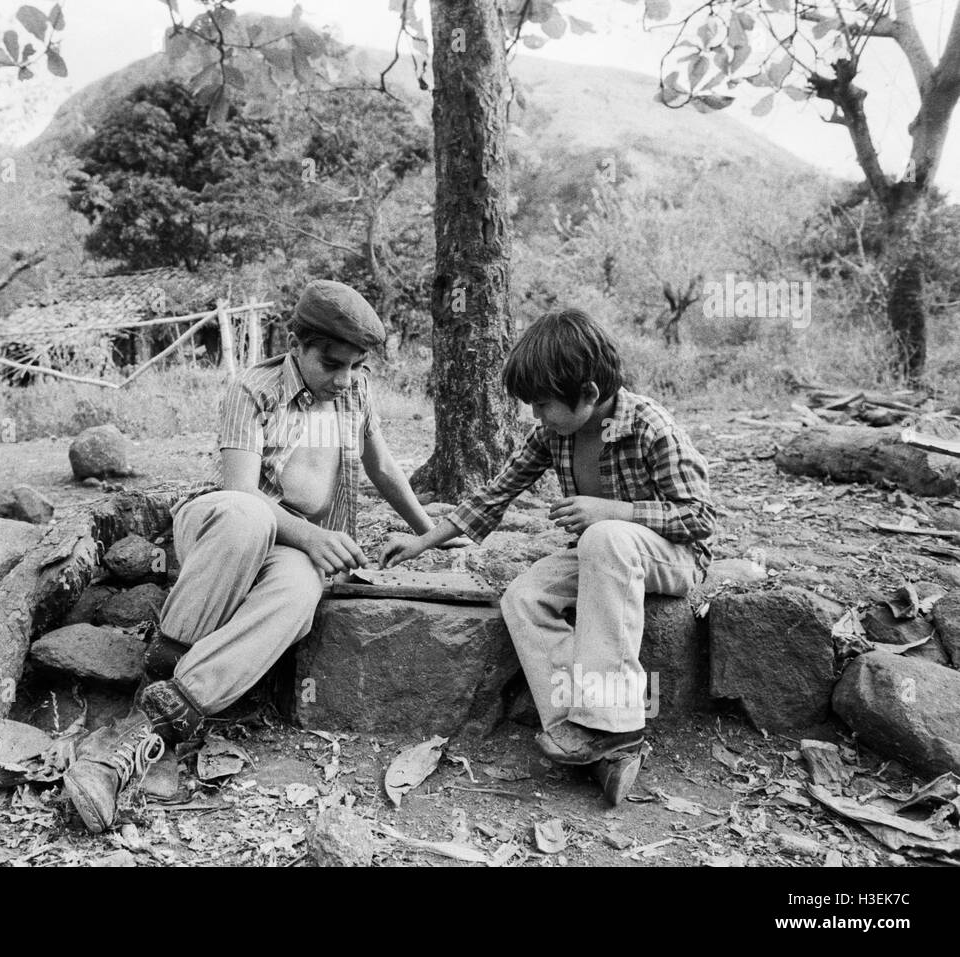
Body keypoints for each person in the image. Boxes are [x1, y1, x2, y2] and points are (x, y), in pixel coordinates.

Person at [64, 279, 438, 833]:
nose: (344, 378)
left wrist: (431, 532)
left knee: (302, 588)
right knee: (250, 517)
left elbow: (382, 468)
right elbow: (241, 494)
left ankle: (151, 726)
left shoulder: (356, 392)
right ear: (298, 344)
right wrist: (312, 537)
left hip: (290, 548)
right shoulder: (252, 389)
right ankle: (165, 659)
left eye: (354, 366)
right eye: (332, 363)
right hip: (222, 530)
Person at [380, 309, 715, 805]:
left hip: (672, 557)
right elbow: (497, 493)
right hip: (606, 555)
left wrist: (613, 510)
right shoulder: (554, 434)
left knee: (602, 536)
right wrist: (422, 540)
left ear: (589, 394)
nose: (536, 416)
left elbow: (701, 518)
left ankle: (616, 724)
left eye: (542, 404)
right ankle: (578, 731)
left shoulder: (650, 426)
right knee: (525, 595)